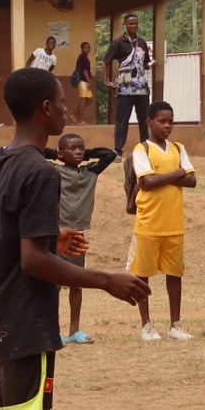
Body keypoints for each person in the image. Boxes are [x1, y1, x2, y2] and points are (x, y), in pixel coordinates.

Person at [0, 68, 148, 410]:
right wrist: (107, 280)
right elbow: (33, 261)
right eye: (63, 102)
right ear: (45, 109)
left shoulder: (0, 160)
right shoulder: (43, 172)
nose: (68, 109)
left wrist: (51, 235)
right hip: (24, 318)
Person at [128, 101, 197, 341]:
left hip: (173, 222)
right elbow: (147, 182)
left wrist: (168, 176)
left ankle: (175, 324)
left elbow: (193, 180)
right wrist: (178, 172)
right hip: (149, 222)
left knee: (174, 274)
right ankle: (146, 324)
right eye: (162, 121)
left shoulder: (178, 148)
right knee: (142, 274)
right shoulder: (141, 149)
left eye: (171, 121)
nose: (167, 126)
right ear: (149, 122)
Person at [46, 133, 117, 344]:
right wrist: (57, 155)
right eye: (73, 148)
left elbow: (110, 155)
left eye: (81, 148)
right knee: (55, 285)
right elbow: (37, 153)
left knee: (77, 283)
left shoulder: (90, 172)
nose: (78, 151)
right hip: (58, 234)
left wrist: (86, 155)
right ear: (61, 153)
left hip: (78, 234)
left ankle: (75, 330)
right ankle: (54, 329)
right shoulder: (55, 171)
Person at [103, 13, 155, 153]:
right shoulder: (118, 43)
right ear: (125, 25)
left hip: (142, 88)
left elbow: (144, 64)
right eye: (131, 23)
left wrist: (150, 65)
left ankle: (146, 148)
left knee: (144, 119)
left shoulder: (142, 42)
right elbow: (107, 61)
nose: (133, 26)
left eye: (136, 23)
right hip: (125, 88)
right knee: (122, 120)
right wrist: (106, 81)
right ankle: (118, 150)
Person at [70, 42, 93, 125]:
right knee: (83, 99)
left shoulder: (85, 57)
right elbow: (84, 70)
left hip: (85, 81)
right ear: (82, 48)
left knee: (89, 100)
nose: (87, 49)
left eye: (88, 47)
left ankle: (73, 115)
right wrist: (88, 80)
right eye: (85, 47)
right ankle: (80, 120)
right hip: (83, 81)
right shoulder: (82, 57)